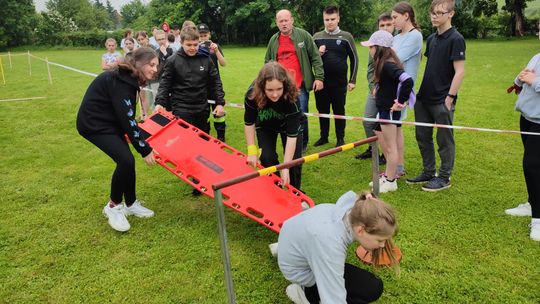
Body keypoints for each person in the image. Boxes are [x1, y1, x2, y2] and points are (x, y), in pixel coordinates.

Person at [76, 47, 158, 232]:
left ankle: (130, 203)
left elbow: (125, 117)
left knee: (126, 161)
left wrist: (140, 139)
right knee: (125, 160)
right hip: (93, 125)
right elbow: (128, 119)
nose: (155, 69)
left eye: (156, 66)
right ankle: (113, 206)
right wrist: (144, 149)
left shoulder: (128, 78)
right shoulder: (120, 80)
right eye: (151, 65)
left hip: (110, 122)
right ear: (138, 64)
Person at [277, 190, 399, 303]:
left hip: (299, 245)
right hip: (302, 271)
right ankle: (305, 293)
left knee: (373, 287)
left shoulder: (352, 214)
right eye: (380, 240)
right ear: (361, 230)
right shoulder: (330, 243)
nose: (383, 245)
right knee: (368, 290)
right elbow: (333, 299)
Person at [154, 27, 225, 195]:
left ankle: (202, 175)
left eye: (195, 44)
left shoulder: (206, 59)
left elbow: (216, 82)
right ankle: (194, 177)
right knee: (187, 143)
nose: (192, 48)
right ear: (181, 43)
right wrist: (160, 103)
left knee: (202, 142)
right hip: (181, 107)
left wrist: (219, 103)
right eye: (189, 45)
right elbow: (165, 84)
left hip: (201, 106)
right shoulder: (172, 61)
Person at [406, 0, 465, 192]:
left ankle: (445, 177)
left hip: (442, 99)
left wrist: (450, 97)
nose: (434, 16)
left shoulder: (456, 39)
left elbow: (460, 71)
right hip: (424, 98)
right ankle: (428, 171)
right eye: (433, 12)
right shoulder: (431, 39)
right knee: (422, 136)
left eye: (439, 13)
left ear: (451, 14)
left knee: (444, 140)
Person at [265, 9, 325, 153]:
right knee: (283, 115)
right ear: (277, 23)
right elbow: (267, 61)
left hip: (299, 85)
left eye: (286, 20)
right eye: (281, 21)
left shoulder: (303, 36)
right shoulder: (273, 40)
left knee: (301, 115)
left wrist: (319, 77)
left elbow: (316, 57)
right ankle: (288, 141)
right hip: (280, 87)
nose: (284, 23)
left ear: (292, 20)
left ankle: (302, 143)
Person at [361, 30, 413, 193]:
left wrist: (400, 101)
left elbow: (407, 80)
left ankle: (391, 180)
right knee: (377, 129)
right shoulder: (385, 64)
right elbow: (389, 83)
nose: (369, 50)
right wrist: (378, 87)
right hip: (384, 110)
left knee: (391, 148)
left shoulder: (388, 65)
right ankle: (389, 174)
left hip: (389, 110)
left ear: (379, 48)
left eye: (371, 47)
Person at [378, 2, 423, 180]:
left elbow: (394, 59)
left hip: (401, 90)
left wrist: (382, 54)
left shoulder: (415, 36)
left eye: (395, 17)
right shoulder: (397, 37)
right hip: (390, 87)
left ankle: (396, 168)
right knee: (394, 128)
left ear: (406, 16)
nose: (393, 21)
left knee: (392, 128)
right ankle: (397, 166)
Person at [244, 62, 303, 189]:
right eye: (270, 90)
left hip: (288, 126)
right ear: (261, 87)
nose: (275, 94)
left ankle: (296, 193)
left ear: (285, 86)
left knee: (294, 161)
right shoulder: (251, 95)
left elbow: (292, 136)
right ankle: (275, 189)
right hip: (265, 126)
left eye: (279, 89)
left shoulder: (293, 98)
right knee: (267, 158)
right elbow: (249, 123)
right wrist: (252, 151)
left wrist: (285, 166)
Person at [504, 53, 540, 242]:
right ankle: (533, 203)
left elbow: (534, 81)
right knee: (533, 166)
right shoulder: (537, 56)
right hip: (527, 117)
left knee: (532, 165)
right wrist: (520, 78)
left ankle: (538, 219)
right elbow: (524, 78)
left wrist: (535, 80)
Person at [312, 5, 359, 147]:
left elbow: (354, 59)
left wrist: (352, 80)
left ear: (338, 18)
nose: (330, 22)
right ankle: (323, 137)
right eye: (327, 19)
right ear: (323, 19)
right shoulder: (317, 37)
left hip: (339, 83)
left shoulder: (346, 37)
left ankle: (340, 138)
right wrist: (318, 53)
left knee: (339, 110)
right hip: (321, 83)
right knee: (322, 111)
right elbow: (310, 59)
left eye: (332, 19)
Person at [355, 13, 395, 163]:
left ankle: (388, 154)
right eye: (382, 25)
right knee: (368, 120)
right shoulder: (373, 46)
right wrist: (373, 87)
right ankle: (372, 149)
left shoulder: (395, 45)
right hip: (375, 90)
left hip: (391, 95)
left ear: (394, 25)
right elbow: (371, 70)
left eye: (388, 25)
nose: (385, 28)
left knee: (387, 125)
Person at [198, 23, 228, 142]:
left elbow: (223, 63)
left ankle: (221, 137)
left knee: (218, 111)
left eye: (205, 35)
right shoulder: (196, 47)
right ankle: (205, 136)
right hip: (201, 85)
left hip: (215, 84)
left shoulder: (215, 46)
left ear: (209, 34)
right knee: (203, 112)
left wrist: (216, 51)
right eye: (201, 36)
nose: (203, 38)